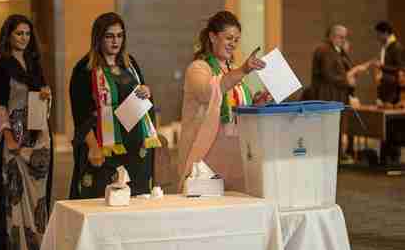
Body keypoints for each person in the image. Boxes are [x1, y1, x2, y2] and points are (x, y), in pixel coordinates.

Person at [0, 14, 53, 250]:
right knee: (15, 199)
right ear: (8, 36)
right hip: (14, 144)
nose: (24, 38)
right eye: (18, 34)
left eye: (27, 34)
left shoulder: (34, 65)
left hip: (38, 142)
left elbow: (42, 99)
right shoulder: (1, 67)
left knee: (38, 200)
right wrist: (10, 139)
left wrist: (47, 94)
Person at [68, 12, 160, 199]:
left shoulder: (129, 63)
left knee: (137, 200)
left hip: (136, 149)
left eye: (119, 36)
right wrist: (93, 146)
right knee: (101, 200)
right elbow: (80, 114)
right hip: (104, 148)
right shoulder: (84, 69)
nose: (115, 41)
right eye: (109, 36)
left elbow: (141, 92)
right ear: (98, 38)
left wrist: (146, 91)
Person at [177, 11, 269, 192]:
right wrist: (244, 70)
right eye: (229, 38)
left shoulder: (233, 70)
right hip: (206, 157)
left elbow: (240, 109)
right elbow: (211, 91)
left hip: (235, 154)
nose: (233, 44)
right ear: (212, 37)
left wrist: (257, 102)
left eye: (236, 40)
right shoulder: (198, 68)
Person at [311, 24, 357, 161]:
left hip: (336, 95)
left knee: (336, 128)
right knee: (329, 129)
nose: (344, 40)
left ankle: (335, 155)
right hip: (327, 96)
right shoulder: (324, 50)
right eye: (341, 37)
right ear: (332, 36)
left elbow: (346, 68)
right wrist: (347, 81)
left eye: (345, 37)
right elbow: (329, 74)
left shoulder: (336, 51)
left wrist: (344, 52)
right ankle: (329, 156)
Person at [373, 21, 405, 164]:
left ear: (385, 32)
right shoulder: (387, 46)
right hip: (387, 89)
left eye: (379, 34)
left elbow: (400, 68)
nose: (378, 37)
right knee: (386, 124)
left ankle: (393, 156)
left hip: (393, 91)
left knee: (393, 124)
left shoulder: (396, 47)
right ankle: (386, 156)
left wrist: (382, 67)